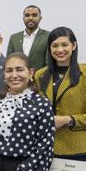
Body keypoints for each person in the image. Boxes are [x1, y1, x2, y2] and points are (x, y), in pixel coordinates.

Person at [35, 27, 86, 160]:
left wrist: (68, 120)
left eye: (64, 45)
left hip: (78, 149)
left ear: (73, 46)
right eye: (55, 45)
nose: (59, 50)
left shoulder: (84, 74)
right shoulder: (40, 75)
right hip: (45, 147)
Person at [6, 5, 49, 71]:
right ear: (23, 18)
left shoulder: (47, 36)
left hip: (39, 77)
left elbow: (48, 63)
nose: (30, 18)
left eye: (34, 15)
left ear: (40, 18)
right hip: (17, 77)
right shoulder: (14, 38)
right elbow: (9, 62)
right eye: (27, 15)